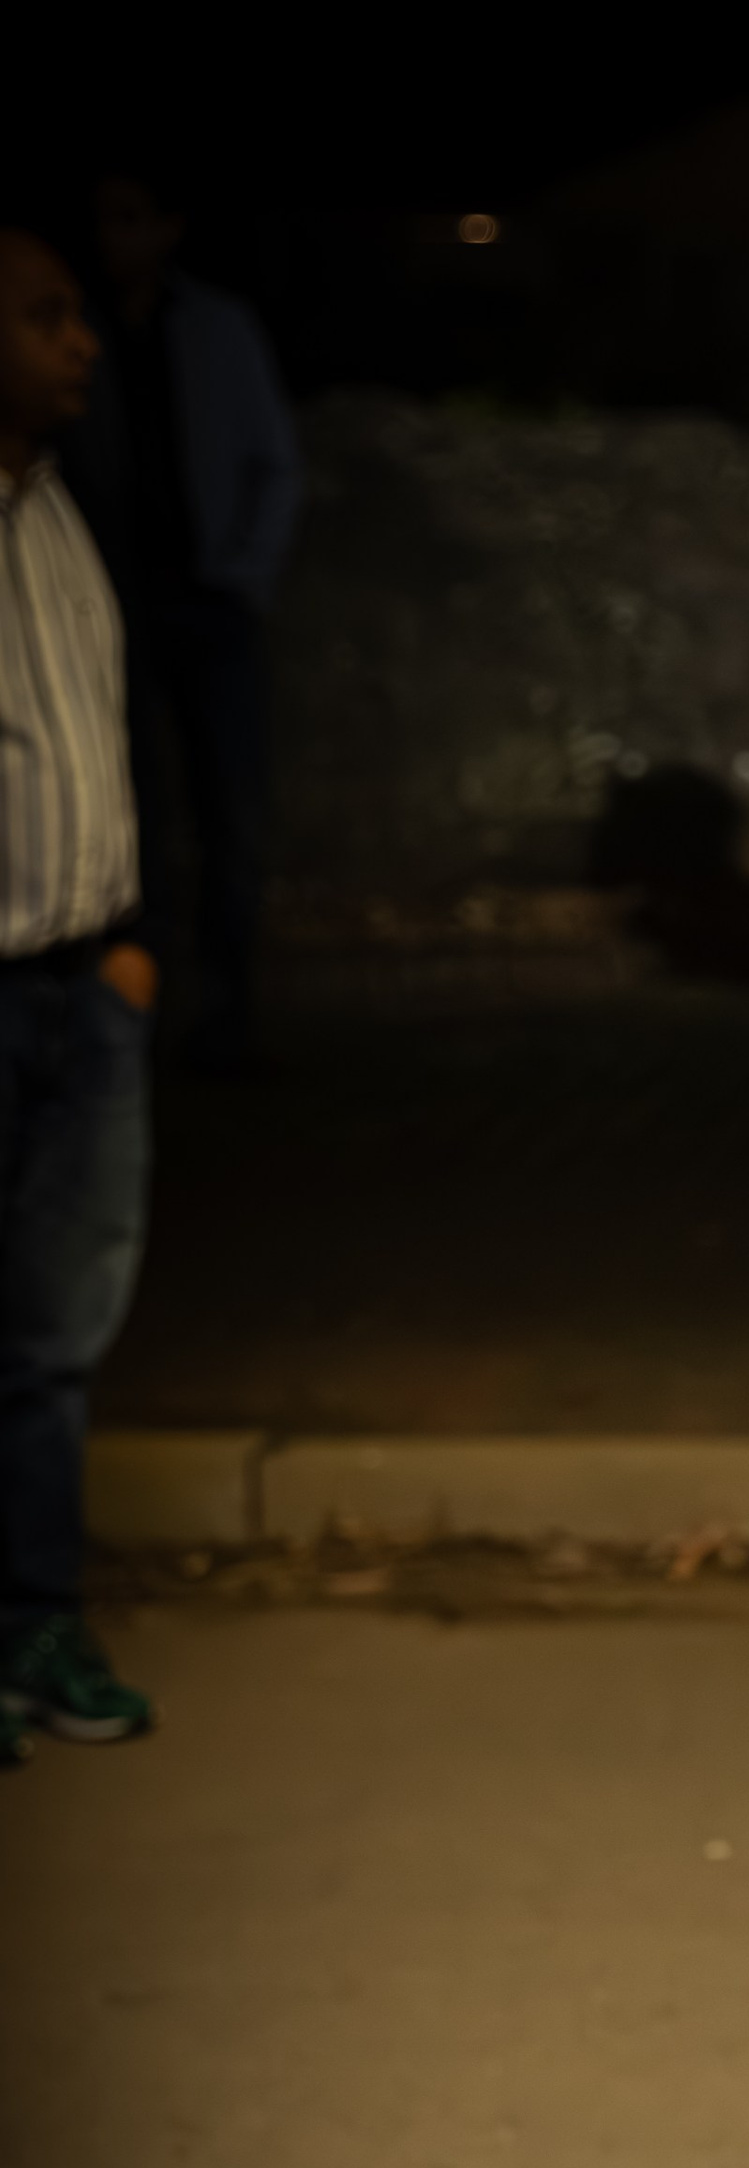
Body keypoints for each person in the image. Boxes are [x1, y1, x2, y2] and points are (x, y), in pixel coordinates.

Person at [0, 226, 157, 1763]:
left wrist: (128, 935)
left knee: (59, 1332)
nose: (83, 341)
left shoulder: (66, 507)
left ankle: (39, 1619)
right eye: (43, 318)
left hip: (79, 978)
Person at [69, 174, 300, 1074]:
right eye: (102, 218)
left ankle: (228, 1002)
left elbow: (272, 461)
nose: (112, 237)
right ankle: (140, 1004)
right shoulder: (81, 330)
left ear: (168, 229)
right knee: (132, 817)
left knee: (229, 812)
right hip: (113, 607)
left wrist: (240, 577)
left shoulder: (213, 328)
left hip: (207, 598)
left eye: (130, 217)